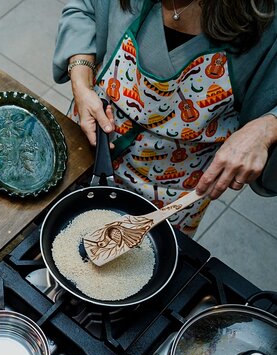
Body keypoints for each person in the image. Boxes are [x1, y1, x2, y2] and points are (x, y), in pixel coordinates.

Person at [53, 0, 277, 235]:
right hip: (87, 143)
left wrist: (266, 127)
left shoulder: (265, 19)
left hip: (169, 192)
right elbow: (85, 10)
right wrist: (81, 82)